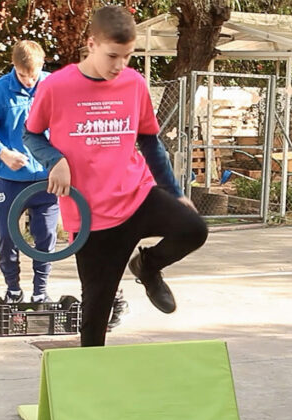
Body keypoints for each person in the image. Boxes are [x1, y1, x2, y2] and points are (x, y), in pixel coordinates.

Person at [23, 5, 208, 347]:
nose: (120, 65)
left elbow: (149, 140)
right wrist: (55, 159)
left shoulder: (133, 83)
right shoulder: (58, 87)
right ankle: (90, 394)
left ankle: (147, 266)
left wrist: (174, 191)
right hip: (92, 216)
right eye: (113, 56)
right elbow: (31, 135)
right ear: (92, 44)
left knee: (194, 229)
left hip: (136, 195)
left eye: (128, 56)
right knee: (95, 319)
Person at [0, 41, 58, 304]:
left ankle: (41, 291)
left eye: (34, 75)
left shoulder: (54, 87)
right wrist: (2, 153)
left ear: (42, 66)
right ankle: (13, 290)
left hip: (47, 180)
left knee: (46, 238)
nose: (29, 81)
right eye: (22, 75)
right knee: (7, 238)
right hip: (11, 181)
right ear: (14, 67)